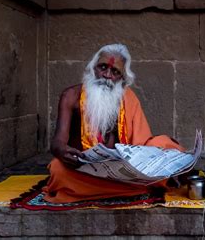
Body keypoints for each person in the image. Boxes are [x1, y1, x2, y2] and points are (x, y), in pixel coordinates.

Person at [43, 44, 184, 203]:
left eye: (115, 71)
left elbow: (142, 143)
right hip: (85, 170)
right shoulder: (71, 96)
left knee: (167, 146)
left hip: (124, 170)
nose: (107, 75)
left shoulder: (128, 99)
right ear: (93, 68)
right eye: (103, 67)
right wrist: (62, 151)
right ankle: (142, 188)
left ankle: (114, 189)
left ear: (123, 78)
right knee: (57, 169)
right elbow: (57, 142)